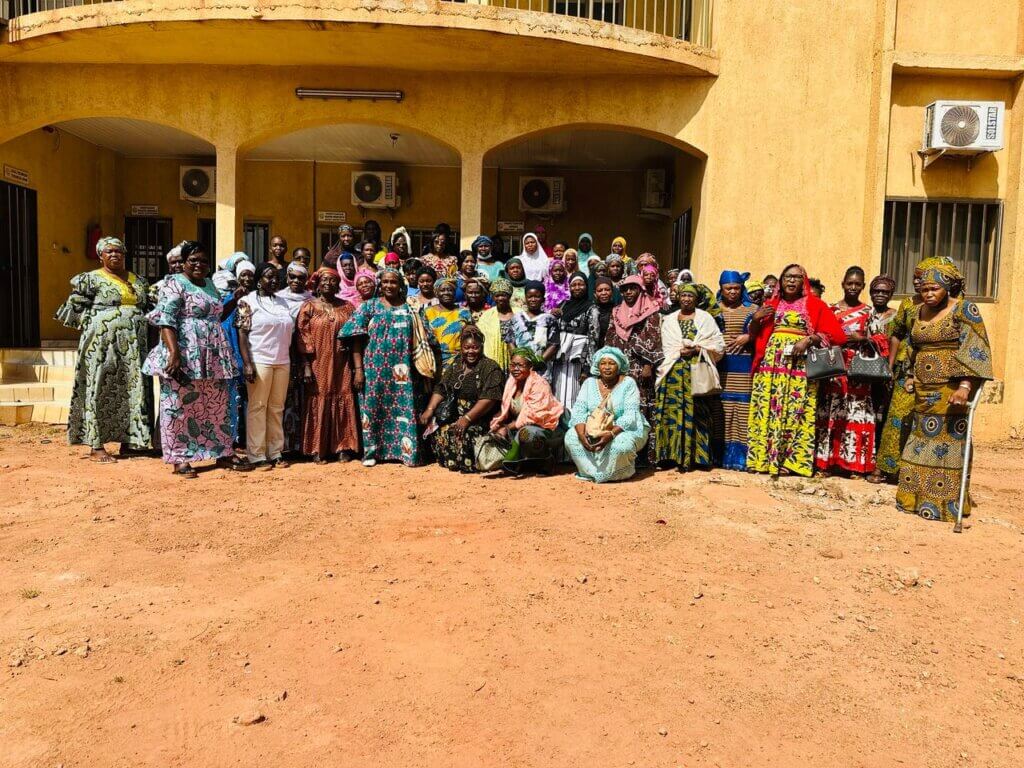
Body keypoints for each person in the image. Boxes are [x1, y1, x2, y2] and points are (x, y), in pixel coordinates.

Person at [143, 241, 250, 477]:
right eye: (194, 261)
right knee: (178, 406)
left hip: (212, 355)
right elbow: (166, 320)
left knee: (215, 404)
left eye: (203, 260)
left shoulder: (210, 284)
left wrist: (233, 299)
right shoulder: (174, 283)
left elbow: (216, 313)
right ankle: (179, 457)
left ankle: (221, 451)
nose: (199, 265)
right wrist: (174, 354)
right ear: (183, 263)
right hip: (184, 353)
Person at [896, 263, 992, 523]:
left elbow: (975, 349)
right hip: (923, 390)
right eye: (924, 289)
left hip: (951, 390)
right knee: (920, 441)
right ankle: (915, 500)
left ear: (948, 288)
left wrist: (965, 387)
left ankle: (945, 504)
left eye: (934, 288)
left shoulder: (964, 309)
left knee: (946, 445)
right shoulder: (917, 313)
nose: (928, 294)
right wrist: (910, 375)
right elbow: (913, 348)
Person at [56, 236, 152, 463]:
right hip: (102, 346)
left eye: (119, 251)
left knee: (133, 388)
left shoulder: (138, 280)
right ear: (101, 255)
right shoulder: (90, 280)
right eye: (109, 251)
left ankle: (131, 442)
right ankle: (96, 445)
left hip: (134, 347)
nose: (115, 254)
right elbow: (73, 311)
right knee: (99, 387)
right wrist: (101, 325)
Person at [746, 264, 846, 477]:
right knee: (767, 408)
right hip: (771, 365)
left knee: (796, 409)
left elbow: (837, 335)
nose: (791, 281)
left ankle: (790, 461)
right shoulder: (771, 304)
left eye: (796, 277)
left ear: (804, 281)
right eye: (787, 277)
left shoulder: (815, 305)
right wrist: (755, 318)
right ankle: (763, 458)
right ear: (780, 281)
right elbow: (754, 334)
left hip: (799, 365)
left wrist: (809, 339)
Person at [340, 268, 425, 467]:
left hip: (405, 372)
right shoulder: (369, 307)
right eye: (385, 282)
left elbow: (424, 337)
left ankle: (406, 454)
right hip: (374, 370)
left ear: (400, 285)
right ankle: (372, 453)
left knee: (405, 411)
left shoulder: (411, 308)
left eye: (393, 282)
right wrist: (358, 370)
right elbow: (355, 339)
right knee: (373, 410)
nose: (389, 286)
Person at [874, 258, 947, 482]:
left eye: (923, 278)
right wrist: (890, 364)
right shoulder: (907, 304)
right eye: (915, 278)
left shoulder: (951, 307)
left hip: (936, 370)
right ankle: (887, 467)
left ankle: (918, 470)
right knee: (896, 417)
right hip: (905, 369)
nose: (918, 282)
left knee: (926, 420)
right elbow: (896, 333)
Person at [814, 266, 883, 476]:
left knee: (856, 415)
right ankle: (828, 464)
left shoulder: (869, 312)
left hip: (859, 371)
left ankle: (853, 465)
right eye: (849, 283)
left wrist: (863, 339)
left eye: (857, 284)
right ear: (843, 284)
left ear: (863, 286)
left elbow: (881, 340)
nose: (853, 287)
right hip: (835, 367)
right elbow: (821, 334)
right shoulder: (831, 310)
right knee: (832, 415)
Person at [652, 283, 725, 470]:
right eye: (683, 295)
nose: (686, 299)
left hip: (696, 373)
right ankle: (670, 457)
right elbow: (665, 347)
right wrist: (679, 352)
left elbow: (718, 345)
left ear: (696, 299)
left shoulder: (705, 318)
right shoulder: (668, 320)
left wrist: (697, 349)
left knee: (698, 413)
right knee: (671, 413)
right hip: (672, 373)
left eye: (690, 296)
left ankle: (696, 458)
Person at [420, 325, 504, 472]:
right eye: (467, 348)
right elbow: (441, 388)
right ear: (461, 348)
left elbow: (489, 399)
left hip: (480, 418)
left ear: (481, 347)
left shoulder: (490, 367)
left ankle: (470, 464)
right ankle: (449, 462)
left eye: (475, 348)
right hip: (456, 414)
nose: (471, 351)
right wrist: (429, 409)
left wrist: (467, 419)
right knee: (438, 429)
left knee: (465, 434)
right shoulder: (457, 364)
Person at [297, 267, 360, 463]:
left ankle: (343, 446)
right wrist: (306, 365)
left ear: (338, 284)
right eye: (324, 280)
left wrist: (348, 346)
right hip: (318, 362)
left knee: (343, 395)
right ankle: (317, 447)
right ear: (317, 283)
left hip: (343, 363)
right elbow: (301, 337)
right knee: (319, 397)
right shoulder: (309, 307)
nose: (328, 283)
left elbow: (356, 333)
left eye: (332, 280)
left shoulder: (348, 307)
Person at [236, 263, 296, 469]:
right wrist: (247, 364)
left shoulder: (283, 302)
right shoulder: (247, 301)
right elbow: (242, 334)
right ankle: (256, 454)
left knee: (277, 408)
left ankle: (275, 452)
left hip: (282, 361)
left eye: (276, 277)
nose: (273, 281)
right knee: (258, 406)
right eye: (269, 277)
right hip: (259, 360)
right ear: (258, 279)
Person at [565, 346, 650, 483]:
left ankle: (617, 473)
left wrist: (610, 434)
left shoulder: (628, 383)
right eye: (603, 363)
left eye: (612, 363)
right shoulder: (589, 383)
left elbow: (630, 416)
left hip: (625, 428)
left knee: (621, 445)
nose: (607, 367)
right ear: (598, 366)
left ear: (619, 366)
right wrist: (582, 435)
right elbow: (579, 411)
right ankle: (592, 472)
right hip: (595, 427)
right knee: (571, 437)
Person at [605, 275, 663, 458]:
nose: (629, 292)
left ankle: (643, 454)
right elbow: (610, 338)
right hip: (620, 368)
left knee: (641, 406)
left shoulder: (651, 311)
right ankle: (620, 450)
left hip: (640, 368)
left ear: (640, 289)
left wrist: (648, 365)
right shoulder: (616, 312)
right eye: (625, 289)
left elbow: (654, 338)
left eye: (633, 288)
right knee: (620, 407)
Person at [487, 348, 565, 475]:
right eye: (512, 365)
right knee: (494, 433)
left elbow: (531, 417)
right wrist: (497, 425)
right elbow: (505, 411)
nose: (515, 369)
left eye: (520, 365)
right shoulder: (511, 382)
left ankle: (546, 461)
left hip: (546, 429)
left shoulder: (539, 384)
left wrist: (506, 429)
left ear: (530, 367)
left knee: (526, 433)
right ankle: (522, 464)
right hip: (519, 427)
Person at [714, 270, 757, 470]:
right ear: (721, 289)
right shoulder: (713, 310)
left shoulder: (753, 310)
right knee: (721, 409)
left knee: (741, 410)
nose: (732, 292)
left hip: (744, 367)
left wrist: (749, 337)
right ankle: (719, 457)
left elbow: (763, 335)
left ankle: (740, 459)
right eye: (728, 288)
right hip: (720, 367)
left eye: (737, 288)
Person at [276, 261, 313, 456]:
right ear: (287, 277)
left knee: (304, 399)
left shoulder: (312, 300)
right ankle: (285, 446)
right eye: (293, 277)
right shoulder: (278, 299)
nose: (296, 281)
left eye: (301, 278)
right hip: (284, 353)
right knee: (285, 398)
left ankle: (303, 445)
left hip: (306, 356)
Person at [864, 274, 897, 484]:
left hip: (885, 371)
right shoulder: (865, 314)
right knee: (865, 416)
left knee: (882, 417)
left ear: (891, 294)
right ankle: (864, 461)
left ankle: (881, 466)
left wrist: (890, 369)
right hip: (863, 370)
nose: (880, 295)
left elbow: (898, 341)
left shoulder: (896, 316)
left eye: (884, 292)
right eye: (876, 291)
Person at [551, 272, 600, 410]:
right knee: (557, 392)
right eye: (574, 285)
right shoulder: (563, 305)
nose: (577, 287)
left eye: (581, 284)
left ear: (586, 286)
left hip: (578, 361)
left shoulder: (592, 308)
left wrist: (587, 368)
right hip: (560, 359)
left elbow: (593, 339)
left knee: (573, 395)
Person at [222, 259, 256, 446]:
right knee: (233, 396)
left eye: (250, 275)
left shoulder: (257, 297)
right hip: (233, 350)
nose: (247, 278)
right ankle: (232, 438)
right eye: (243, 274)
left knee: (250, 398)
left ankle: (246, 438)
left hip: (254, 350)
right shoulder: (230, 298)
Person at [511, 281, 560, 378]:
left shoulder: (549, 319)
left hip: (541, 371)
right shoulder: (516, 318)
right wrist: (518, 361)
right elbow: (510, 341)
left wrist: (539, 361)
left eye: (537, 296)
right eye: (530, 297)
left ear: (543, 299)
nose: (533, 299)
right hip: (519, 369)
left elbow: (554, 344)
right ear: (525, 298)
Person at [425, 277, 473, 367]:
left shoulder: (464, 312)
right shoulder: (427, 312)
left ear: (454, 292)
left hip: (460, 361)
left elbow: (471, 337)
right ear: (436, 293)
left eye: (450, 290)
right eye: (442, 290)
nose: (446, 293)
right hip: (434, 361)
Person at [476, 277, 516, 372]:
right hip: (492, 364)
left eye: (504, 295)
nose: (500, 298)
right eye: (497, 296)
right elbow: (480, 339)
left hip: (516, 364)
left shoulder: (519, 314)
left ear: (509, 296)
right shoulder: (486, 316)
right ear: (493, 297)